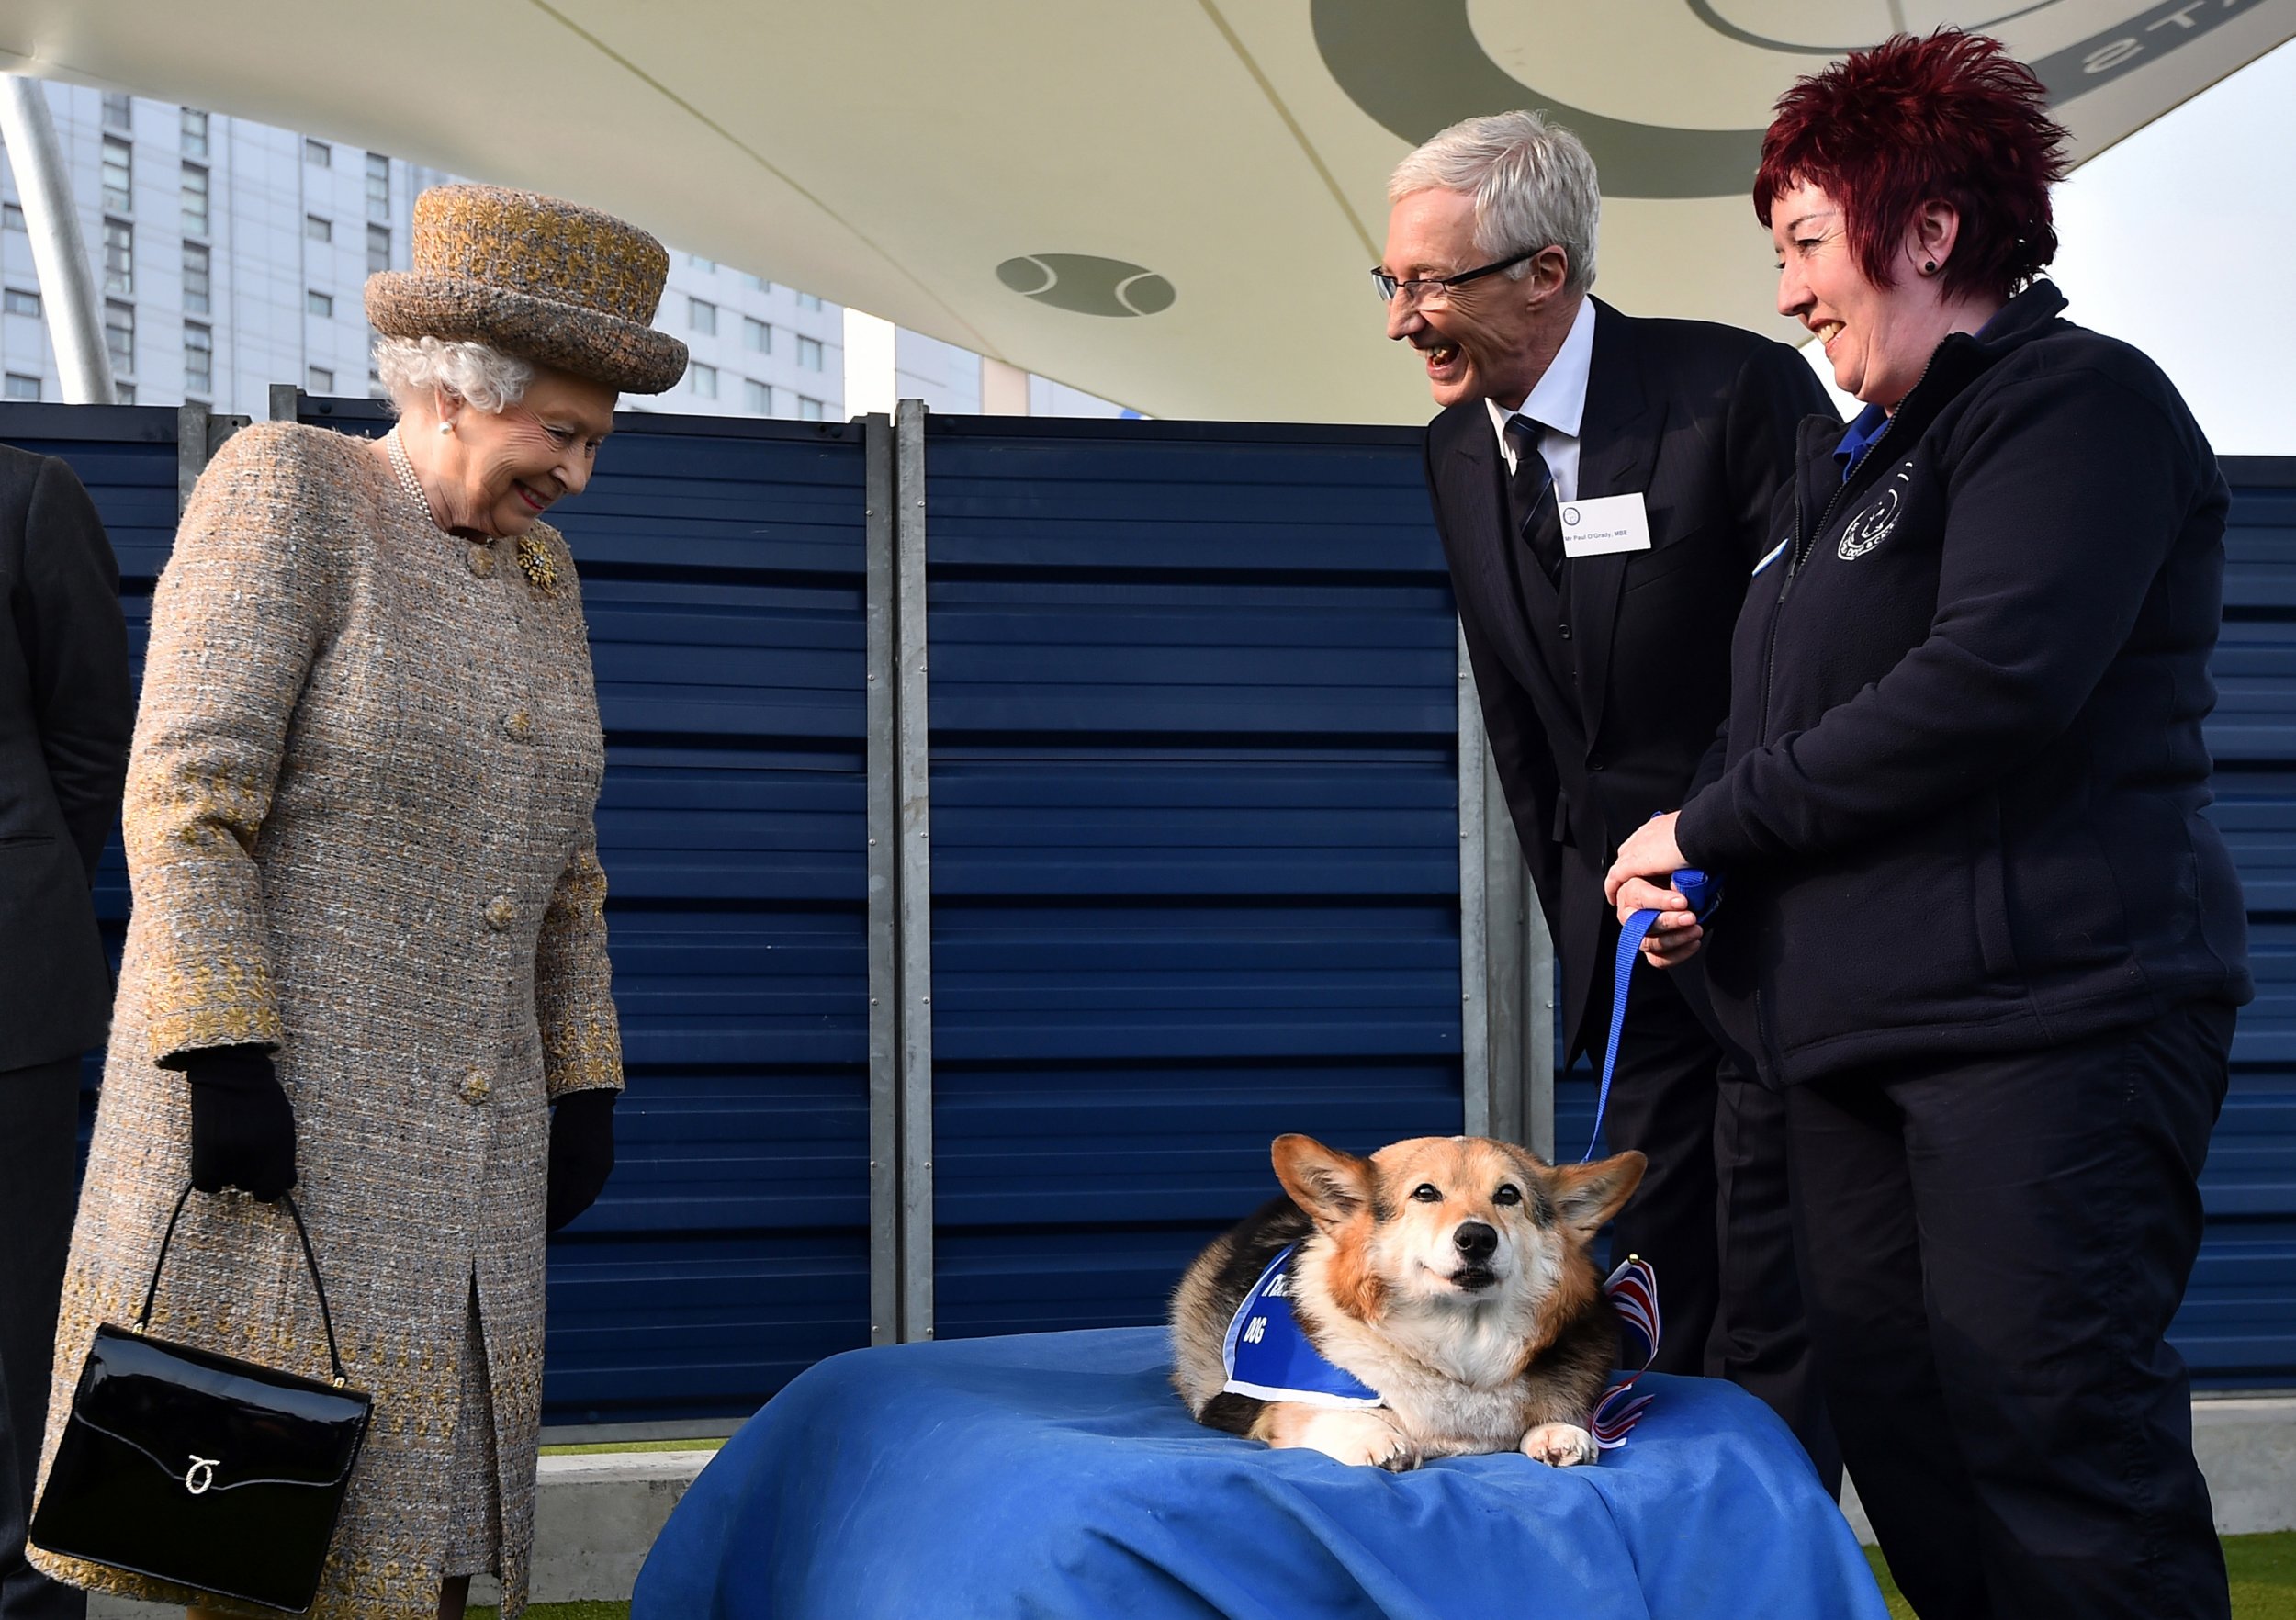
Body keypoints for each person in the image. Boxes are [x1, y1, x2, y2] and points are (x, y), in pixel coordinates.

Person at [1605, 32, 2250, 1620]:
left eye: (1807, 245)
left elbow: (1993, 681)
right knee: (1907, 1440)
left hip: (2048, 1029)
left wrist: (1715, 813)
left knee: (2053, 1437)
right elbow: (1788, 741)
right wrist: (1710, 881)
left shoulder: (2075, 402)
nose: (1789, 294)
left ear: (1930, 231)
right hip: (1843, 1052)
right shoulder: (1845, 474)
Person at [28, 185, 687, 1620]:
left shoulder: (539, 574)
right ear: (456, 392)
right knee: (268, 1547)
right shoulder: (292, 490)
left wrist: (584, 1084)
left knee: (439, 1553)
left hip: (478, 1155)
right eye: (559, 434)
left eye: (593, 441)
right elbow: (187, 797)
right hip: (287, 1134)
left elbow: (568, 869)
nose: (578, 473)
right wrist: (221, 1058)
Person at [1380, 111, 1839, 1482]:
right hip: (1635, 957)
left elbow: (1808, 670)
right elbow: (1528, 738)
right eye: (1393, 280)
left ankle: (1772, 1547)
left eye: (1434, 283)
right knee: (1636, 1301)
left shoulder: (1737, 396)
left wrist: (1706, 858)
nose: (1406, 321)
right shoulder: (1456, 453)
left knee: (1789, 1294)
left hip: (1784, 931)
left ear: (1548, 271)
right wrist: (1591, 923)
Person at [0, 446, 132, 1620]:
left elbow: (93, 742)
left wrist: (27, 892)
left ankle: (28, 1602)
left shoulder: (30, 498)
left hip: (8, 997)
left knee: (13, 1337)